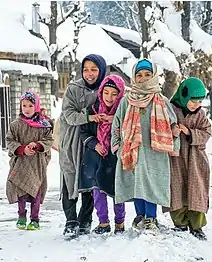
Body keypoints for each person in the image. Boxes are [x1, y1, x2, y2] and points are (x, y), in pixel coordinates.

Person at [111, 59, 179, 232]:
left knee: (151, 183)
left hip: (155, 152)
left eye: (147, 74)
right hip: (131, 150)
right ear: (134, 77)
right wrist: (117, 146)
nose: (143, 78)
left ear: (154, 76)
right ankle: (140, 215)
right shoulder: (127, 100)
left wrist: (174, 138)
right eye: (139, 75)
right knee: (135, 183)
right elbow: (116, 125)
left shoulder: (161, 100)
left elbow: (173, 124)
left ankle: (151, 217)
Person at [59, 54, 107, 238]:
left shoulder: (106, 88)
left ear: (101, 70)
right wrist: (89, 115)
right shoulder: (73, 88)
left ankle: (85, 219)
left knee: (90, 178)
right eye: (86, 69)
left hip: (93, 140)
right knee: (69, 177)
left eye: (94, 69)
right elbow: (69, 115)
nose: (89, 74)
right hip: (71, 140)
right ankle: (70, 220)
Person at [79, 75, 126, 234]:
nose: (109, 97)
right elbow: (83, 132)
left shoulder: (123, 112)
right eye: (106, 92)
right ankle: (103, 222)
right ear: (101, 92)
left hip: (115, 158)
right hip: (96, 157)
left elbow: (129, 131)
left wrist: (116, 122)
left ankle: (120, 222)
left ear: (120, 94)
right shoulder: (92, 110)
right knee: (98, 192)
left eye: (114, 94)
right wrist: (95, 144)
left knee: (117, 191)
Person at [169, 77, 211, 241]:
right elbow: (163, 126)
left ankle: (196, 225)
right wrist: (173, 130)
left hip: (195, 158)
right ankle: (179, 222)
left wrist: (189, 132)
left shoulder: (200, 115)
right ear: (184, 95)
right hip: (176, 158)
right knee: (177, 188)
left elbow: (207, 133)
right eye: (193, 101)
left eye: (199, 101)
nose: (196, 105)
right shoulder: (172, 110)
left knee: (196, 189)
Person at [6, 90, 53, 230]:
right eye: (24, 106)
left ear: (36, 106)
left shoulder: (44, 125)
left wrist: (37, 145)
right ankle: (21, 216)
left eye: (30, 106)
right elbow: (10, 140)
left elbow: (49, 140)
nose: (27, 109)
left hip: (37, 164)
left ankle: (35, 219)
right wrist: (22, 149)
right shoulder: (15, 125)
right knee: (20, 189)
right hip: (20, 163)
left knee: (35, 192)